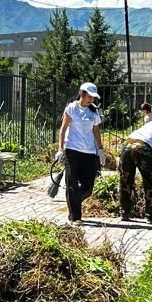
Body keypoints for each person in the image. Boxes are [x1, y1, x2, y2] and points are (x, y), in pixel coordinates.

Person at [55, 82, 104, 225]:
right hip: (72, 151)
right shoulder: (72, 108)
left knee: (88, 187)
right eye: (89, 97)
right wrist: (60, 149)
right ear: (81, 94)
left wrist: (100, 149)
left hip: (89, 152)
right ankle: (75, 217)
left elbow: (96, 130)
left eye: (93, 98)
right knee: (72, 183)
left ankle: (74, 200)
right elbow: (63, 129)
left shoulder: (93, 112)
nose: (91, 100)